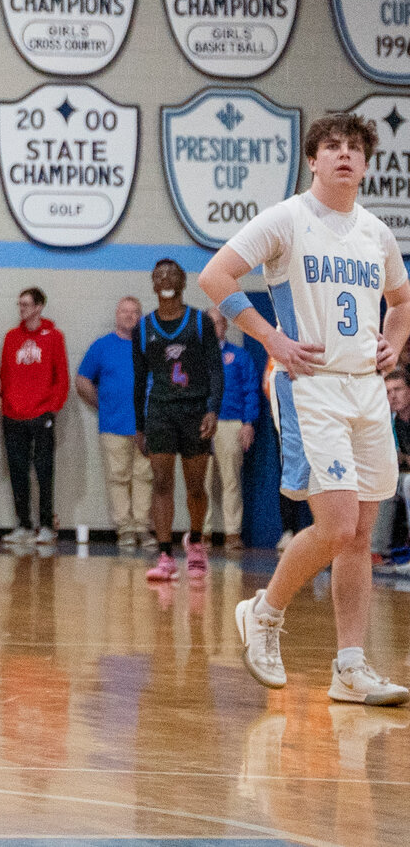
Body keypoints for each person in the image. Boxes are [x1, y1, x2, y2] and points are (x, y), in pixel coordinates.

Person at [208, 111, 410, 706]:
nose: (344, 155)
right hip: (311, 385)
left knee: (359, 537)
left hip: (366, 391)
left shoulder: (377, 233)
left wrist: (393, 345)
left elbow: (401, 301)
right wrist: (270, 338)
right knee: (338, 523)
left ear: (367, 165)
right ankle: (264, 612)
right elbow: (216, 276)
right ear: (313, 159)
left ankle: (349, 667)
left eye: (355, 148)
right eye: (332, 146)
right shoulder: (287, 219)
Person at [133, 259, 224, 582]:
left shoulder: (200, 322)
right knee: (160, 482)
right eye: (159, 275)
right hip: (160, 411)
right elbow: (139, 380)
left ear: (183, 282)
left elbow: (215, 369)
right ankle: (165, 554)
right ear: (153, 285)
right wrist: (140, 426)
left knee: (196, 485)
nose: (166, 278)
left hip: (195, 410)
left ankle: (196, 544)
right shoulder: (142, 328)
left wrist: (213, 408)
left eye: (172, 274)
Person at [75, 297, 153, 548]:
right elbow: (82, 380)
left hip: (147, 425)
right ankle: (125, 529)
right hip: (113, 425)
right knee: (117, 477)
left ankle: (142, 526)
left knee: (145, 476)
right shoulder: (102, 346)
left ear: (141, 317)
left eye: (135, 312)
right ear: (117, 315)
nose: (130, 316)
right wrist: (102, 404)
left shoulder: (150, 346)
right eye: (125, 311)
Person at [0, 287, 68, 544]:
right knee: (18, 471)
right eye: (20, 304)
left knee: (43, 470)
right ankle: (24, 525)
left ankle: (47, 525)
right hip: (13, 414)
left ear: (39, 306)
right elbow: (4, 373)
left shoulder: (53, 337)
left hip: (41, 414)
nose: (22, 309)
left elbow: (61, 376)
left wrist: (52, 408)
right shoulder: (11, 337)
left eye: (27, 304)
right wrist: (6, 403)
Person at [206, 307, 264, 553]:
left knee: (230, 481)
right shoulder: (193, 358)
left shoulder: (239, 356)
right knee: (201, 481)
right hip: (201, 424)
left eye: (218, 323)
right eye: (209, 323)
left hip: (231, 423)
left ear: (225, 326)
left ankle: (232, 533)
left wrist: (248, 422)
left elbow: (252, 390)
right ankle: (203, 533)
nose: (214, 327)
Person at [373, 370, 410, 561]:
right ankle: (377, 551)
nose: (393, 396)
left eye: (398, 389)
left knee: (408, 483)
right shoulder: (388, 421)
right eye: (388, 392)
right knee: (385, 483)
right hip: (401, 475)